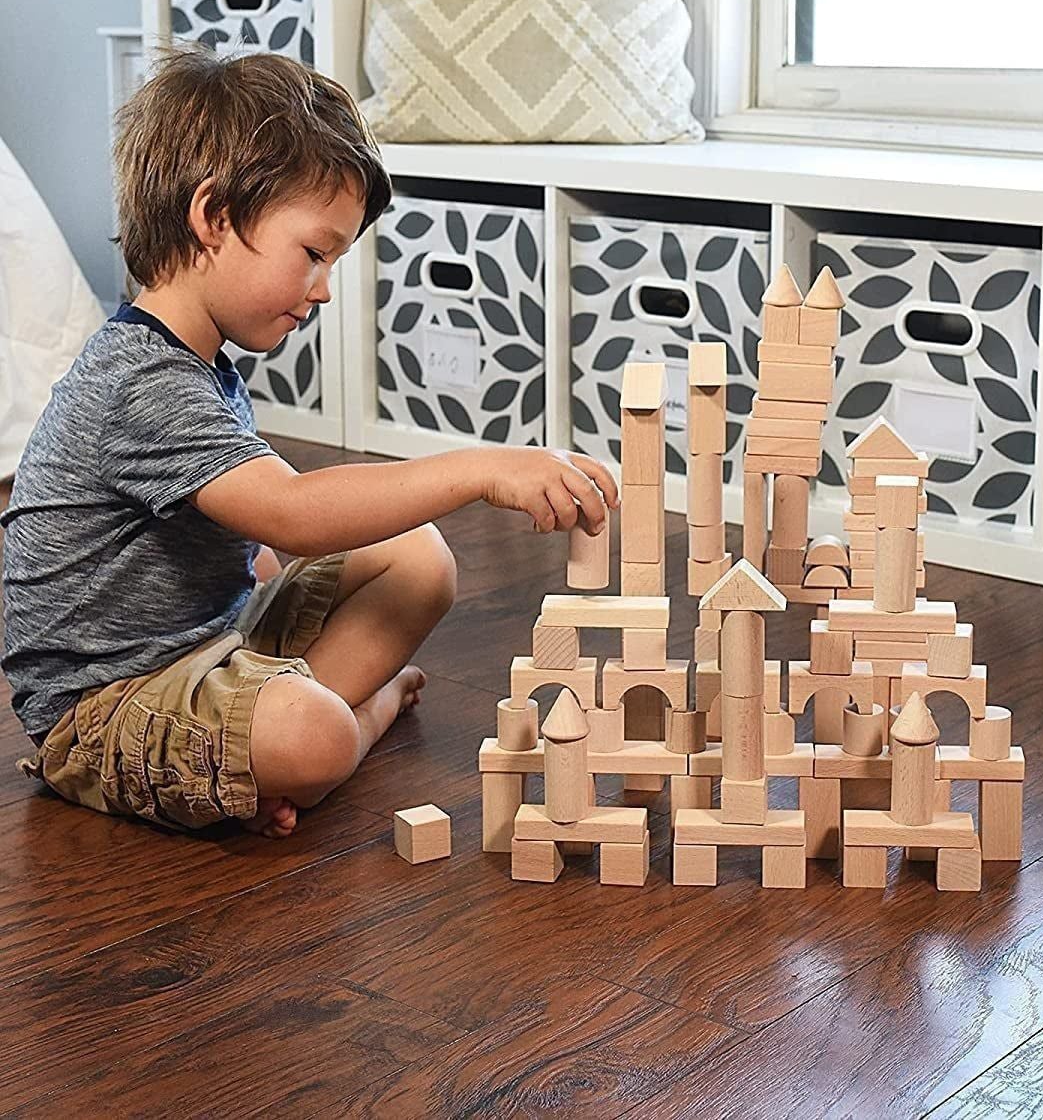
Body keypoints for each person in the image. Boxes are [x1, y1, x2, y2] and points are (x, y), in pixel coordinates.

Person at [2, 48, 617, 838]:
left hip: (207, 647)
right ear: (214, 217)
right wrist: (480, 467)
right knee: (313, 734)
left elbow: (248, 539)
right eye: (315, 253)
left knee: (417, 556)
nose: (324, 288)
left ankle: (257, 756)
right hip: (106, 707)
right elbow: (292, 512)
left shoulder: (199, 365)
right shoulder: (139, 381)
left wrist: (270, 594)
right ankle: (351, 724)